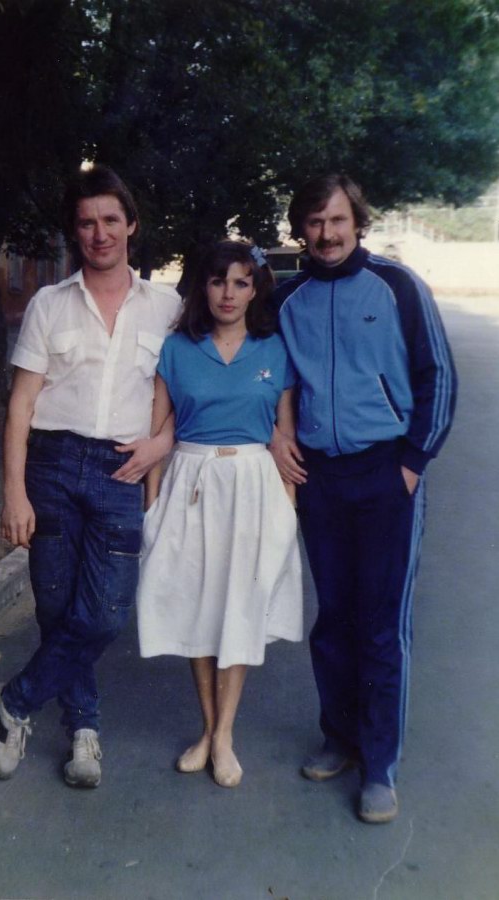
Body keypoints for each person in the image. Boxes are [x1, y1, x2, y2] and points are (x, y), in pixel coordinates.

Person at [0, 164, 182, 787]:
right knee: (56, 607)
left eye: (111, 220)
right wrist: (13, 492)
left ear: (132, 226)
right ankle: (83, 728)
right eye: (88, 223)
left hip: (123, 469)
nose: (100, 234)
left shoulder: (167, 308)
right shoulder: (49, 304)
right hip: (52, 467)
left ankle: (13, 701)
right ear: (76, 231)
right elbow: (21, 404)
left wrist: (159, 446)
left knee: (105, 614)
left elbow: (187, 396)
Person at [271, 173, 457, 823]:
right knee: (333, 618)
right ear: (301, 228)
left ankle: (379, 765)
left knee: (380, 624)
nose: (326, 234)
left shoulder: (396, 285)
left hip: (385, 474)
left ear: (357, 222)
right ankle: (340, 738)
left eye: (337, 220)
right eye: (314, 222)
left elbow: (437, 376)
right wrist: (277, 435)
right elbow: (268, 378)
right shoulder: (286, 297)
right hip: (319, 478)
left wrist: (411, 464)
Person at [137, 240, 303, 788]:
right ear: (202, 287)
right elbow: (158, 433)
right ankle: (207, 730)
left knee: (240, 610)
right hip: (191, 483)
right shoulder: (176, 349)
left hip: (254, 487)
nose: (227, 294)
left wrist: (288, 512)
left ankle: (224, 735)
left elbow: (285, 436)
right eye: (217, 281)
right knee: (199, 610)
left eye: (240, 282)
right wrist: (152, 511)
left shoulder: (274, 350)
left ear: (254, 290)